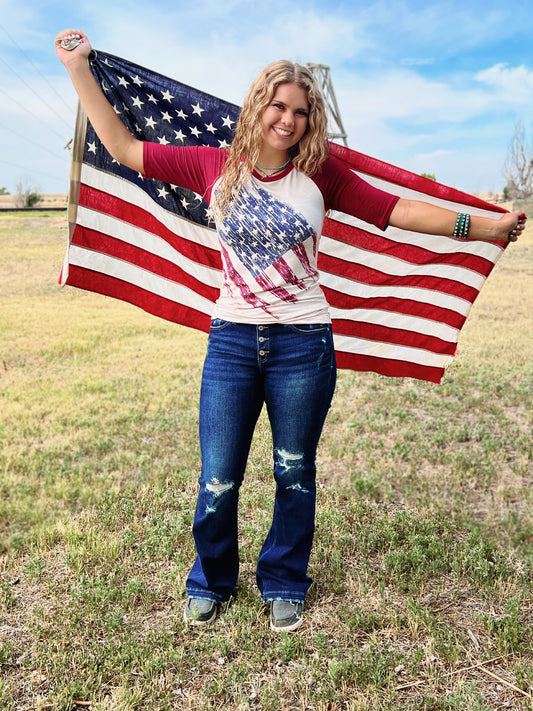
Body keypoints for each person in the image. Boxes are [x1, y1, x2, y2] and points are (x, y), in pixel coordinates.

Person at [56, 30, 527, 632]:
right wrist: (77, 68)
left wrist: (481, 226)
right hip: (231, 340)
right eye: (279, 106)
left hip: (303, 344)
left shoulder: (321, 175)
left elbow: (398, 212)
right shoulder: (212, 164)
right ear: (258, 105)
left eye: (301, 112)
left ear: (311, 120)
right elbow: (123, 147)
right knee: (218, 475)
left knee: (293, 468)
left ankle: (284, 580)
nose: (288, 119)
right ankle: (212, 579)